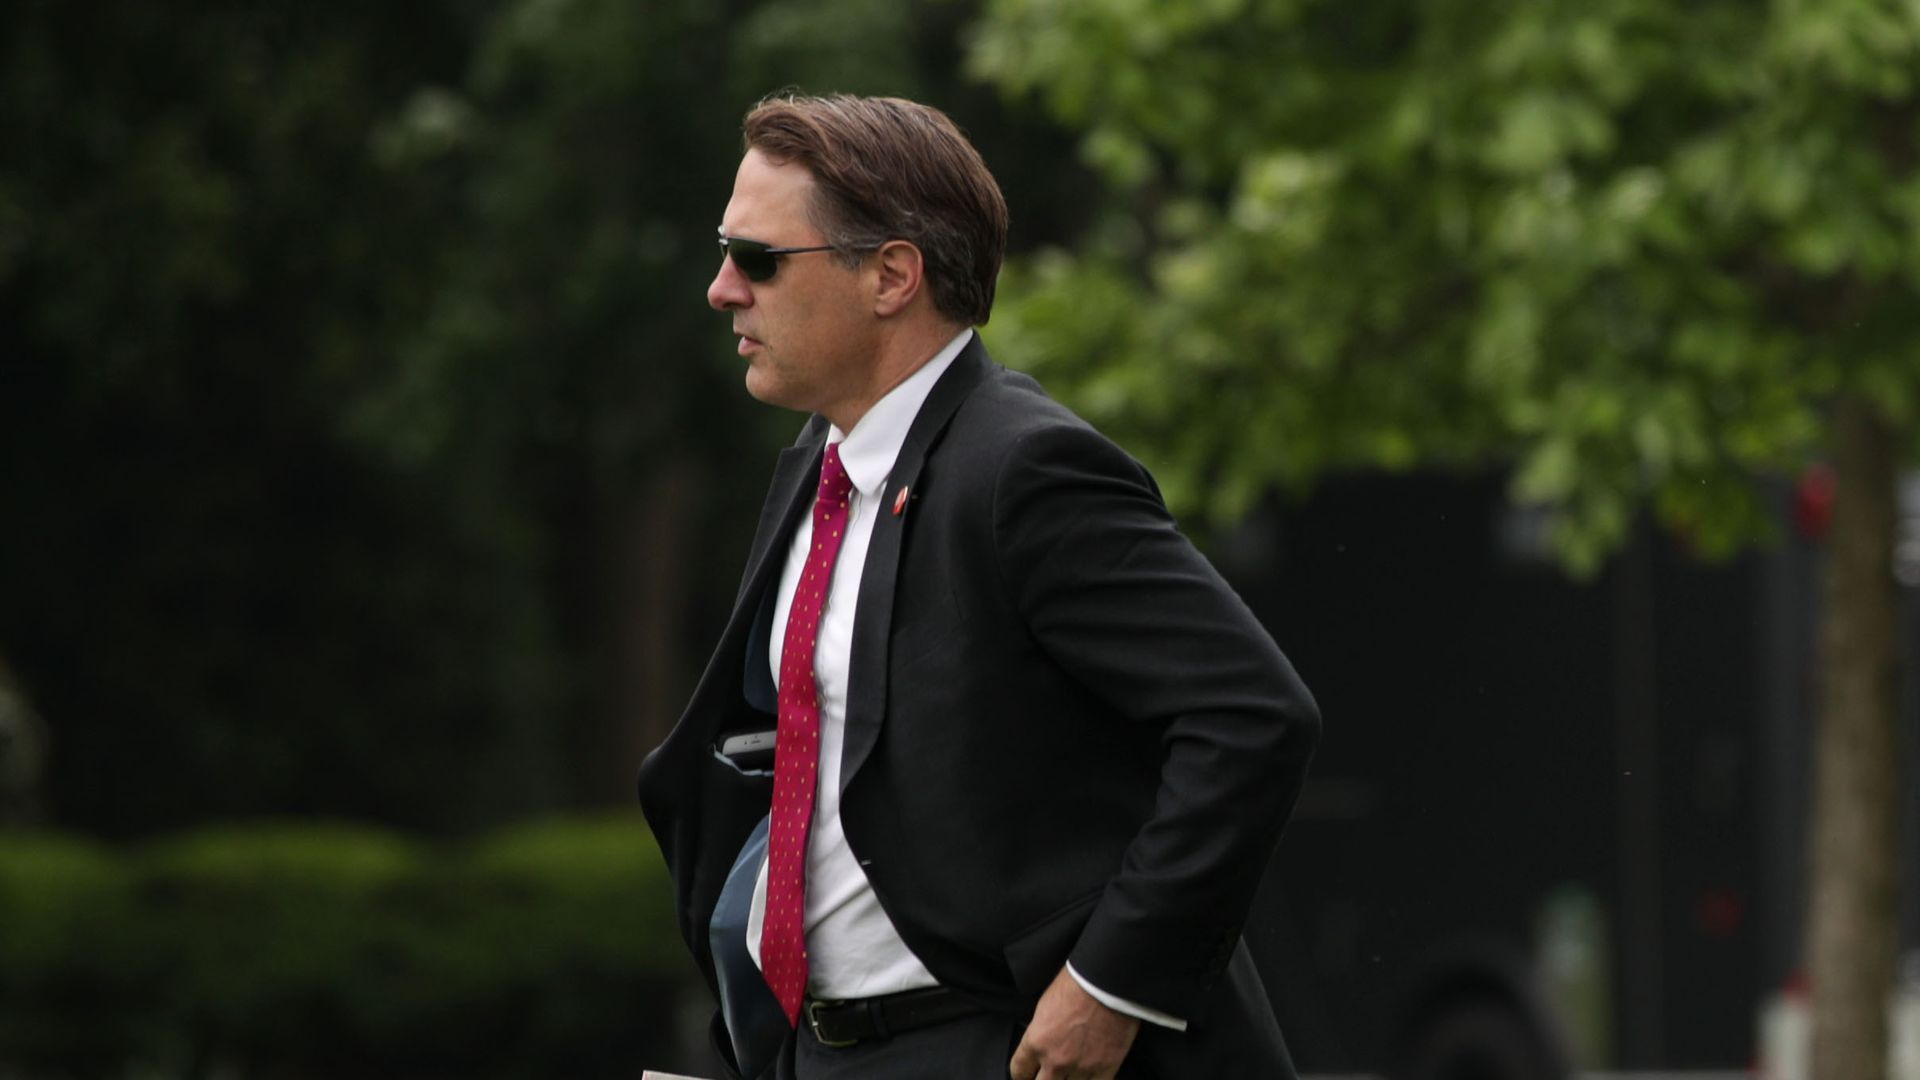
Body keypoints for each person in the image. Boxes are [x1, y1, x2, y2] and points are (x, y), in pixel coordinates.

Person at [637, 93, 1321, 1080]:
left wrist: (1110, 983)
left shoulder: (1026, 469)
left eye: (758, 259)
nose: (720, 290)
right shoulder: (816, 471)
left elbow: (1255, 717)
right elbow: (810, 795)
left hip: (992, 1047)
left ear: (892, 277)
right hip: (818, 1051)